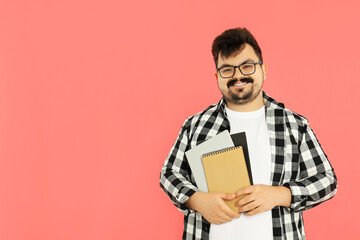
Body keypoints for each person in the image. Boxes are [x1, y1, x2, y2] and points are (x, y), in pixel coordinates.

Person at [159, 27, 337, 240]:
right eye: (227, 69)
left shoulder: (295, 125)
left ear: (263, 70)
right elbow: (169, 173)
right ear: (217, 76)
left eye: (247, 66)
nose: (238, 75)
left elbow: (327, 181)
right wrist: (197, 200)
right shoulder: (196, 125)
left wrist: (279, 195)